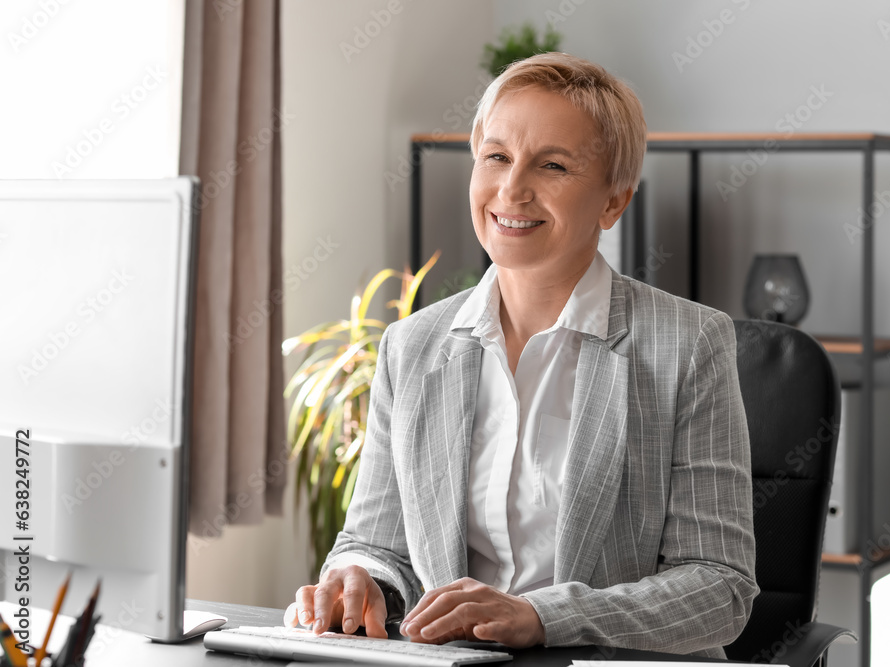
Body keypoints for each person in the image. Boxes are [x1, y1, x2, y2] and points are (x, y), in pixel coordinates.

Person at [284, 52, 758, 659]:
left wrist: (542, 616)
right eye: (497, 157)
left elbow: (718, 589)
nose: (512, 189)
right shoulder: (413, 346)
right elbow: (376, 542)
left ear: (614, 201)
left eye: (552, 165)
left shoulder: (690, 345)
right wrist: (357, 577)